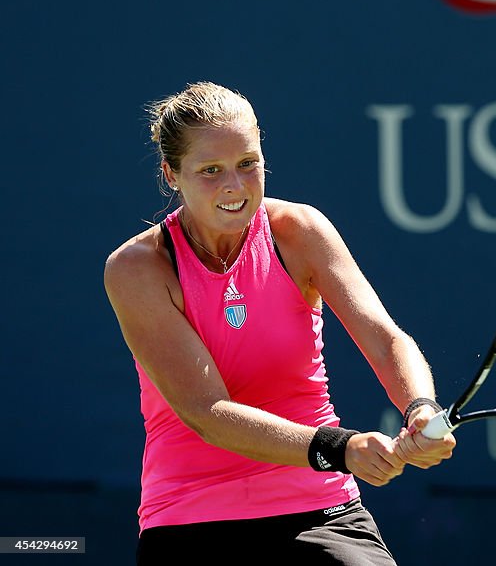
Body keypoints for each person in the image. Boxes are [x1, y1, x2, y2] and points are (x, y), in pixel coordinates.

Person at [104, 82, 456, 564]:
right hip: (190, 519)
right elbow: (207, 412)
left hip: (321, 509)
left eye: (248, 163)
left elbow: (383, 336)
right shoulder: (137, 269)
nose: (235, 185)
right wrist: (341, 448)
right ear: (171, 175)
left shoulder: (299, 232)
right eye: (211, 170)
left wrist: (419, 406)